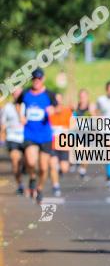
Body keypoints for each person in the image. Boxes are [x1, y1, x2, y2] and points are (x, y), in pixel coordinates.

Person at [16, 69, 58, 203]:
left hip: (45, 135)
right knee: (30, 161)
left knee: (44, 167)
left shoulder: (49, 94)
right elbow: (17, 103)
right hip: (30, 133)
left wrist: (53, 111)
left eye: (39, 79)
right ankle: (32, 178)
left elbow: (58, 108)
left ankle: (39, 188)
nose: (36, 81)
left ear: (43, 79)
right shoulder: (26, 93)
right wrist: (21, 116)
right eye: (34, 79)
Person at [95, 82, 110, 190]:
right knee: (109, 152)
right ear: (106, 89)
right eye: (109, 88)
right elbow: (96, 112)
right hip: (105, 131)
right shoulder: (101, 100)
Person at [48, 96, 74, 197]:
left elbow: (73, 126)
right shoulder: (49, 112)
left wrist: (67, 130)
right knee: (53, 165)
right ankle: (56, 186)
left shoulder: (67, 111)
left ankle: (59, 171)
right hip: (52, 145)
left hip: (64, 145)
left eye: (59, 102)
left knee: (64, 168)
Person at [1, 89, 26, 195]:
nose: (17, 95)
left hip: (26, 137)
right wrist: (2, 136)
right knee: (15, 161)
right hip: (12, 137)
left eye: (19, 92)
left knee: (28, 162)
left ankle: (31, 181)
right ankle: (20, 184)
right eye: (15, 93)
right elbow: (2, 124)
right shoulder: (7, 107)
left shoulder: (27, 106)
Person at [72, 89, 94, 179]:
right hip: (78, 133)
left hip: (88, 133)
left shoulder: (91, 106)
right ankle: (78, 162)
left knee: (87, 154)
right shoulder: (76, 106)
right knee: (79, 150)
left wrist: (92, 114)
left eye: (84, 96)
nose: (82, 98)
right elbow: (72, 118)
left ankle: (83, 170)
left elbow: (95, 118)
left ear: (87, 97)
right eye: (81, 96)